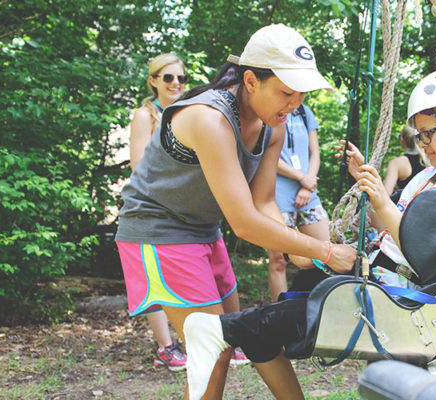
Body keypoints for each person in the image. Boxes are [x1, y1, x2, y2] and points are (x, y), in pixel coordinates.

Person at [182, 68, 436, 400]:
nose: (422, 144)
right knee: (288, 303)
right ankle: (234, 329)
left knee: (278, 319)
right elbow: (388, 230)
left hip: (404, 302)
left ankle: (223, 329)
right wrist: (367, 189)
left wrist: (381, 199)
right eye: (419, 136)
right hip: (385, 281)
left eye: (427, 134)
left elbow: (427, 255)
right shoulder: (430, 177)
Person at [114, 24, 357, 400]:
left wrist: (296, 249)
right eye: (286, 92)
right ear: (251, 80)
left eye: (301, 95)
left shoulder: (273, 125)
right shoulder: (209, 118)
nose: (294, 104)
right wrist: (323, 251)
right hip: (159, 230)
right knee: (213, 349)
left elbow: (262, 202)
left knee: (245, 331)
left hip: (203, 231)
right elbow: (243, 222)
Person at [125, 53, 190, 370]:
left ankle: (190, 339)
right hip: (152, 208)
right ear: (153, 81)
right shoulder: (144, 115)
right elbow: (138, 165)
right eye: (168, 77)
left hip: (183, 208)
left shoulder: (186, 112)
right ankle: (166, 346)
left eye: (180, 78)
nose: (176, 83)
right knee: (155, 279)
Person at [265, 103, 331, 301]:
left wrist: (307, 185)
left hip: (308, 195)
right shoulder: (268, 110)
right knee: (278, 261)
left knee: (329, 251)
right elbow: (267, 157)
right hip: (277, 196)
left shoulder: (304, 112)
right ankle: (278, 314)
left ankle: (323, 306)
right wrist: (302, 178)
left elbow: (315, 153)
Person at [382, 126, 427, 195]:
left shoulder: (397, 163)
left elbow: (385, 195)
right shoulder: (430, 159)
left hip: (408, 205)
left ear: (402, 139)